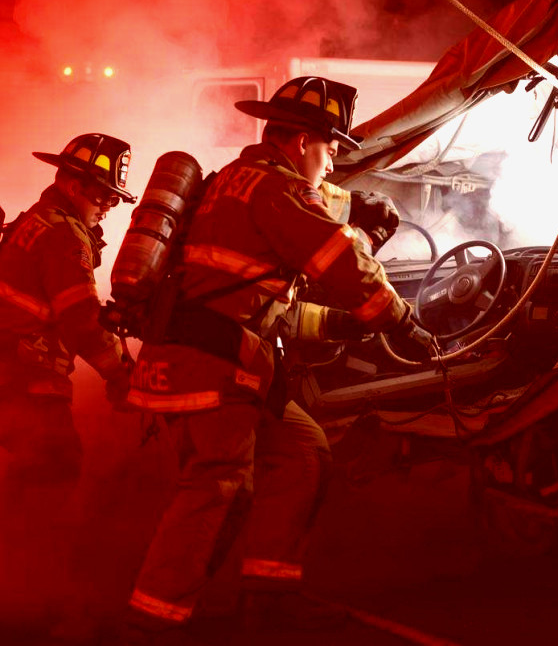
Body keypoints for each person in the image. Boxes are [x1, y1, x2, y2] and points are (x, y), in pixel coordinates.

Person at [121, 77, 432, 642]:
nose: (334, 159)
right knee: (218, 485)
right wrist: (398, 319)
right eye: (330, 145)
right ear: (299, 143)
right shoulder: (275, 189)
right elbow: (341, 262)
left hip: (224, 357)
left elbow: (259, 305)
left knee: (302, 453)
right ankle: (151, 626)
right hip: (211, 366)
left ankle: (269, 602)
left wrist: (339, 323)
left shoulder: (236, 182)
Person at [0, 133, 135, 538]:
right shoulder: (63, 236)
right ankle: (1, 559)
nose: (109, 205)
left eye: (113, 197)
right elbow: (82, 321)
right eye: (103, 195)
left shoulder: (39, 220)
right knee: (56, 461)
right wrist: (124, 376)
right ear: (73, 186)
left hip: (5, 367)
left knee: (41, 462)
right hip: (20, 374)